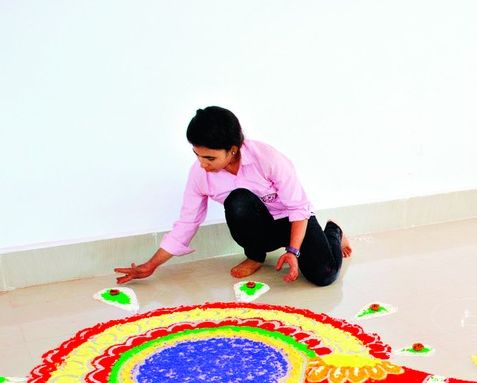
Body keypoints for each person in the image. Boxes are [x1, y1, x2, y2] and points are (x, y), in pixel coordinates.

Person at [116, 106, 351, 286]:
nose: (202, 164)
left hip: (292, 221)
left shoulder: (267, 157)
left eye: (209, 158)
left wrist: (293, 251)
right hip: (261, 229)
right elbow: (187, 222)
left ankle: (334, 231)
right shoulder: (199, 174)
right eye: (197, 155)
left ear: (233, 150)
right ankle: (256, 256)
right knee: (238, 202)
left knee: (324, 276)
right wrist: (151, 265)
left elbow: (299, 207)